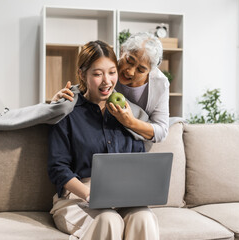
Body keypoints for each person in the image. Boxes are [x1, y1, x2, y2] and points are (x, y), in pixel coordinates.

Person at [48, 40, 160, 240]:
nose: (107, 81)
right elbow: (58, 169)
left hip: (123, 196)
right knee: (108, 220)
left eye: (112, 72)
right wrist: (91, 195)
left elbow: (139, 162)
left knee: (144, 217)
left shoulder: (129, 114)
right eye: (97, 74)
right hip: (77, 198)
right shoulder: (67, 111)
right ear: (82, 74)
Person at [52, 32, 169, 143]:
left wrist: (129, 121)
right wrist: (58, 102)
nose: (130, 71)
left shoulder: (160, 85)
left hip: (137, 139)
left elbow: (161, 132)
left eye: (141, 70)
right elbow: (88, 87)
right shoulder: (110, 71)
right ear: (122, 50)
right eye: (129, 61)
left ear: (150, 71)